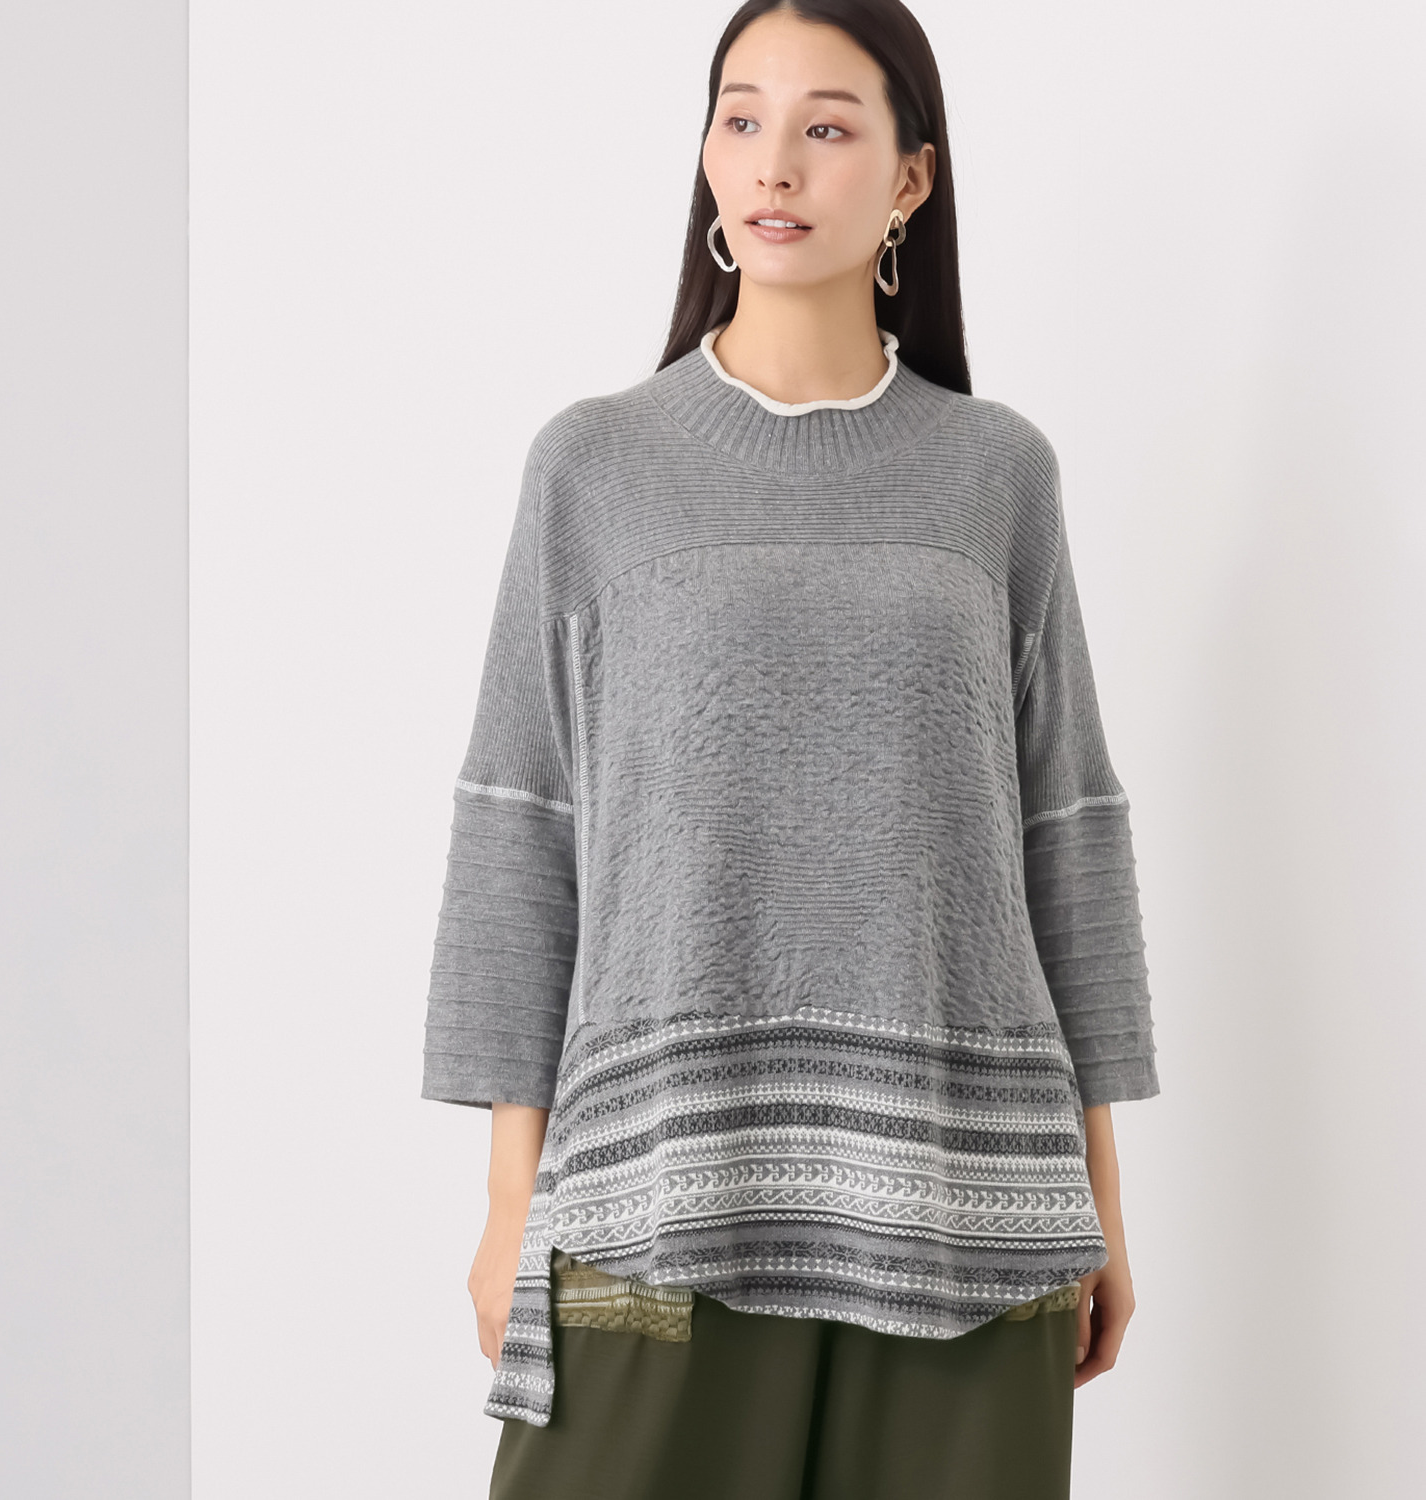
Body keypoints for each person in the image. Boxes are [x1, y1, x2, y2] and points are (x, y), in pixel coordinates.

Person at [420, 2, 1159, 1495]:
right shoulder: (595, 465)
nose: (775, 163)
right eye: (742, 118)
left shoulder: (997, 472)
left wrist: (1101, 1197)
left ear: (909, 179)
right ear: (707, 154)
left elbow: (1065, 827)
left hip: (973, 1205)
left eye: (827, 127)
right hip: (650, 1191)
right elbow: (521, 821)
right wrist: (510, 1203)